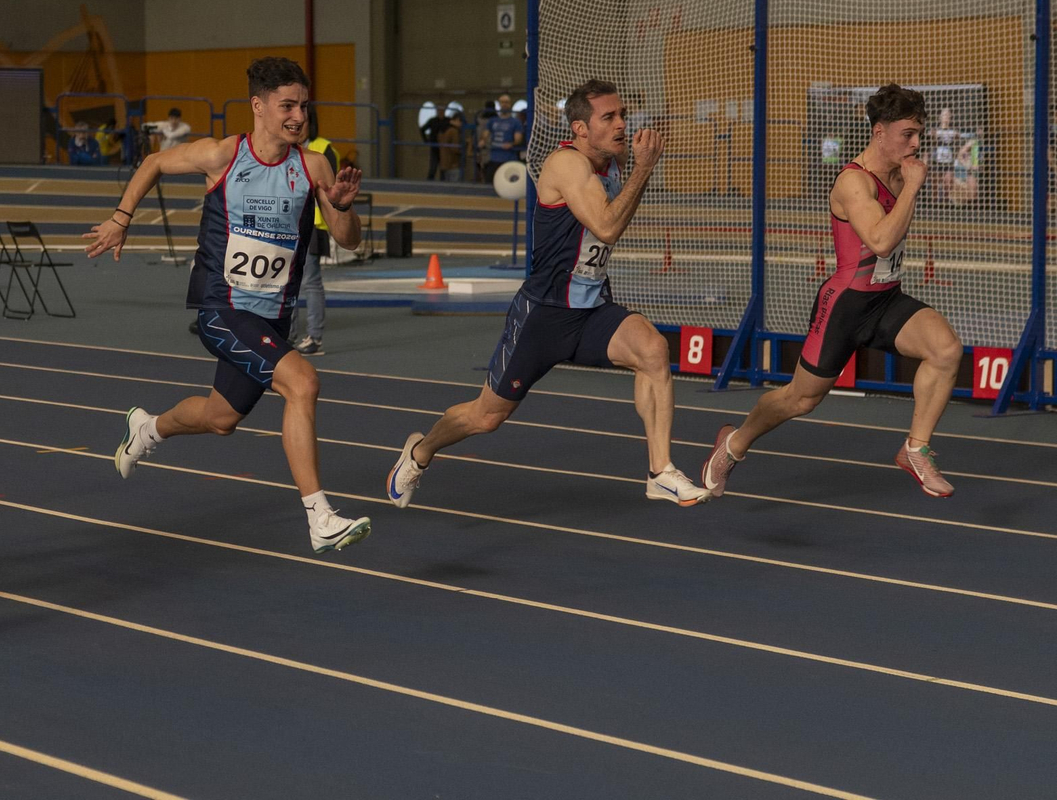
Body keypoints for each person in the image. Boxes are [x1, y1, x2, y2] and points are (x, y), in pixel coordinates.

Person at [88, 57, 373, 554]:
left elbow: (348, 242)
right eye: (287, 106)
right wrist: (121, 216)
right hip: (222, 309)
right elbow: (154, 162)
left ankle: (147, 428)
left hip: (271, 319)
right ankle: (320, 516)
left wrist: (344, 207)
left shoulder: (313, 166)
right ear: (258, 107)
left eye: (303, 106)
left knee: (221, 418)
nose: (299, 117)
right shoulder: (223, 156)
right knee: (303, 382)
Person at [386, 79, 709, 510]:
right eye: (608, 117)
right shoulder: (566, 165)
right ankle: (420, 452)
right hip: (545, 315)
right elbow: (608, 227)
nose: (620, 125)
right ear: (579, 128)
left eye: (623, 115)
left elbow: (613, 217)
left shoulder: (612, 163)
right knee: (487, 416)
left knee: (652, 349)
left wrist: (637, 168)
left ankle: (660, 472)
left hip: (591, 308)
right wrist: (645, 169)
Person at [702, 83, 962, 499]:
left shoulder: (901, 170)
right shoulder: (853, 182)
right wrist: (913, 187)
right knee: (800, 400)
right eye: (907, 134)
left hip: (886, 298)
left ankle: (915, 448)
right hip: (845, 305)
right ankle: (734, 443)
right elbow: (879, 242)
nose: (916, 143)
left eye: (919, 134)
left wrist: (908, 182)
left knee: (946, 349)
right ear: (879, 131)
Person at [288, 116, 336, 356]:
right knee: (287, 282)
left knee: (311, 283)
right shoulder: (285, 147)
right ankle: (288, 335)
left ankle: (314, 338)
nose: (297, 123)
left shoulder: (323, 149)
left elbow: (332, 190)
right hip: (288, 225)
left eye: (303, 120)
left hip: (314, 226)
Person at [479, 95, 525, 184]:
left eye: (506, 102)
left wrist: (511, 144)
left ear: (510, 104)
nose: (504, 104)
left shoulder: (515, 122)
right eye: (502, 102)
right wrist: (483, 141)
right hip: (494, 158)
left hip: (509, 158)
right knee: (490, 182)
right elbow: (485, 134)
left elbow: (518, 139)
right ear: (499, 104)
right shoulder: (492, 121)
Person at [437, 110, 464, 182]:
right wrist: (462, 151)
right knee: (454, 187)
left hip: (444, 162)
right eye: (461, 122)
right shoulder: (454, 131)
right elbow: (455, 148)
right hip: (453, 164)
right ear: (457, 120)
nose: (461, 125)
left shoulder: (443, 129)